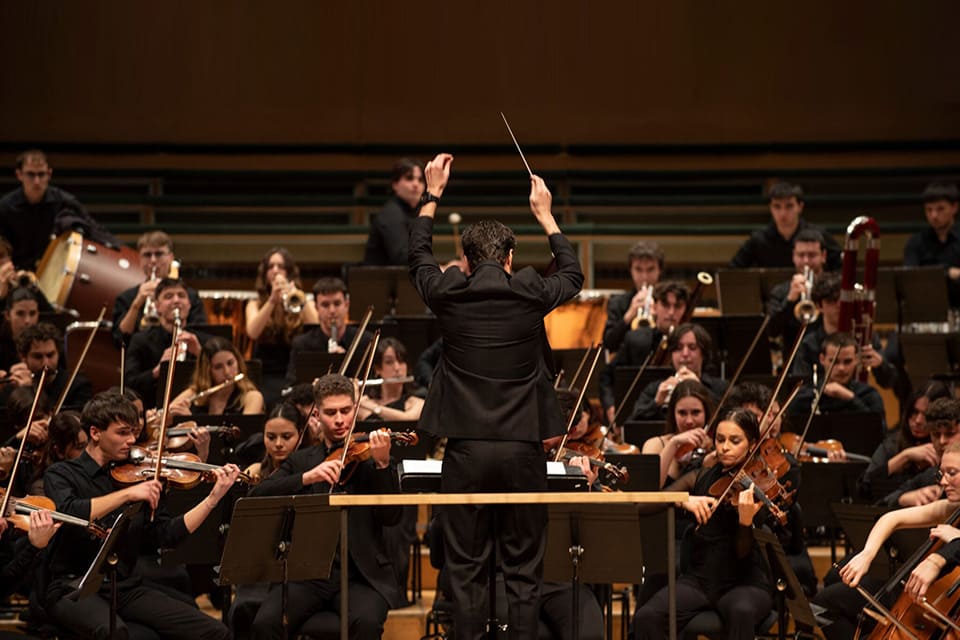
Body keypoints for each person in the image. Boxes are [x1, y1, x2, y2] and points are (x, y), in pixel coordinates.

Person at [409, 152, 584, 639]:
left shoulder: (449, 293)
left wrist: (432, 195)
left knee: (464, 570)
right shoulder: (528, 292)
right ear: (510, 258)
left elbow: (417, 255)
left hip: (465, 452)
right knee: (525, 572)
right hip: (522, 451)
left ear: (465, 261)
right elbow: (573, 274)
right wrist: (545, 214)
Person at [42, 391, 238, 639]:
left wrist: (213, 498)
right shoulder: (62, 474)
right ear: (95, 433)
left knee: (214, 631)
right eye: (122, 432)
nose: (132, 440)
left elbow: (167, 535)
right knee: (116, 633)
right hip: (72, 588)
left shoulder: (139, 475)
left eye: (134, 432)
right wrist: (128, 495)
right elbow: (69, 512)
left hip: (125, 586)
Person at [249, 374, 402, 640]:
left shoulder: (372, 458)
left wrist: (382, 466)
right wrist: (308, 477)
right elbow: (257, 494)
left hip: (361, 576)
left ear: (355, 409)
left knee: (365, 624)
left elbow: (392, 517)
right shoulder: (301, 461)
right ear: (317, 415)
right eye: (331, 413)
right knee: (265, 623)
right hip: (308, 575)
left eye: (346, 411)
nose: (340, 420)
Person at [633, 409, 777, 640]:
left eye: (735, 440)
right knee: (647, 617)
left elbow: (743, 554)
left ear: (752, 444)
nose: (725, 447)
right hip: (700, 580)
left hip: (745, 582)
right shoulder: (701, 476)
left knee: (741, 611)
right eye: (720, 440)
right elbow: (643, 506)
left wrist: (745, 521)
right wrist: (682, 500)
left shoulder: (757, 487)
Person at [814, 440, 960, 640]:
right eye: (942, 474)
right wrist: (867, 554)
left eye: (952, 473)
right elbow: (891, 518)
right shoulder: (951, 508)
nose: (943, 482)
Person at [0, 150, 118, 270]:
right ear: (19, 175)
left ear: (49, 174)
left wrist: (119, 249)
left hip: (55, 271)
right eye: (30, 175)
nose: (36, 181)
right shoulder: (6, 207)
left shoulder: (64, 201)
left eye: (41, 174)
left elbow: (94, 229)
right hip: (18, 272)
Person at [599, 281, 690, 425]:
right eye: (666, 305)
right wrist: (611, 407)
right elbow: (606, 376)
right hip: (638, 417)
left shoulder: (691, 346)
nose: (671, 312)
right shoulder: (635, 339)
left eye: (677, 306)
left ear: (685, 309)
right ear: (654, 307)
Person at [789, 271, 898, 391]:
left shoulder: (865, 336)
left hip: (858, 403)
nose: (839, 305)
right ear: (819, 306)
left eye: (843, 300)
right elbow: (801, 389)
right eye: (831, 301)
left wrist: (880, 364)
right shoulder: (809, 343)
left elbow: (889, 382)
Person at [245, 248, 318, 406]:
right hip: (266, 374)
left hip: (295, 372)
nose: (275, 270)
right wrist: (272, 300)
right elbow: (252, 332)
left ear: (289, 272)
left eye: (280, 266)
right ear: (265, 273)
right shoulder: (255, 304)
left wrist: (298, 295)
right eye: (271, 267)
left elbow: (315, 325)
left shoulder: (300, 298)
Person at [125, 277, 210, 410]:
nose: (176, 301)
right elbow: (129, 383)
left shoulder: (204, 341)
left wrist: (201, 355)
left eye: (181, 296)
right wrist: (157, 371)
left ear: (189, 304)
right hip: (153, 411)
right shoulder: (141, 340)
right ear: (157, 306)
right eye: (168, 296)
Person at [112, 230, 206, 346]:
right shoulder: (126, 297)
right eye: (147, 255)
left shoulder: (189, 296)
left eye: (159, 254)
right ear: (139, 259)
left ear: (171, 257)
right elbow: (119, 339)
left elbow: (200, 336)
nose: (153, 260)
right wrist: (137, 304)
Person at [861, 381, 952, 501]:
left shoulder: (946, 447)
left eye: (926, 415)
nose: (918, 420)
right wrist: (905, 456)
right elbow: (863, 488)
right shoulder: (891, 444)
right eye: (915, 412)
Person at [729, 181, 841, 270]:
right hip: (772, 298)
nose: (783, 213)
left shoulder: (818, 235)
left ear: (800, 207)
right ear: (770, 208)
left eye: (789, 206)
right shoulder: (759, 239)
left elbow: (842, 267)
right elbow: (733, 271)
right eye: (777, 206)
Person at [284, 277, 374, 384]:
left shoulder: (365, 341)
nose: (332, 311)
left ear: (346, 305)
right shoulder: (302, 345)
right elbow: (291, 388)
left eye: (337, 304)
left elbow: (371, 386)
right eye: (325, 305)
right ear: (316, 307)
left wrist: (345, 363)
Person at [629, 323, 727, 421]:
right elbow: (632, 424)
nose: (685, 354)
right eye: (678, 348)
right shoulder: (654, 389)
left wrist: (700, 389)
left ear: (704, 354)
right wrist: (656, 403)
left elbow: (728, 418)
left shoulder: (720, 388)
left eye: (692, 347)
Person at [875, 397, 960, 508]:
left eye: (950, 434)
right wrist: (904, 498)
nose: (942, 441)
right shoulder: (930, 475)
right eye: (936, 434)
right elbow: (882, 502)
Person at [787, 332, 886, 426]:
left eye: (847, 361)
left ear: (856, 359)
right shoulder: (804, 397)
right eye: (834, 361)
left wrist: (851, 398)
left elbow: (881, 431)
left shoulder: (869, 395)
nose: (841, 368)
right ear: (822, 359)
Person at [765, 228, 831, 351]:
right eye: (801, 255)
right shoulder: (781, 291)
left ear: (823, 256)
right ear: (793, 256)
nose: (806, 261)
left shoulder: (834, 289)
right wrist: (790, 300)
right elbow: (771, 331)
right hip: (793, 364)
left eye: (812, 255)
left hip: (828, 360)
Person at [3, 322, 92, 412]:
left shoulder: (78, 386)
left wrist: (30, 391)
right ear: (23, 358)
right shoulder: (13, 387)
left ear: (58, 353)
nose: (46, 363)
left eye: (50, 355)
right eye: (38, 356)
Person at [641, 379, 714, 488]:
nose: (689, 421)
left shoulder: (714, 446)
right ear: (673, 413)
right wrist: (673, 444)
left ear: (706, 413)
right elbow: (649, 488)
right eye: (682, 413)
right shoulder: (655, 444)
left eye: (696, 412)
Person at [170, 336, 264, 416]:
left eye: (230, 363)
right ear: (207, 371)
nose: (227, 372)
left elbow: (243, 435)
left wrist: (189, 421)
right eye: (218, 367)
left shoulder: (252, 397)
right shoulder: (195, 393)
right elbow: (164, 420)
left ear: (238, 362)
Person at [903, 181, 960, 308]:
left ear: (955, 207)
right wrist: (948, 272)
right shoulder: (915, 243)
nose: (934, 215)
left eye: (940, 209)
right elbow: (910, 279)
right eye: (929, 209)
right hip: (927, 313)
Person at [603, 241, 664, 352]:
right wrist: (629, 315)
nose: (644, 276)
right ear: (631, 270)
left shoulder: (668, 303)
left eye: (650, 269)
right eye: (638, 269)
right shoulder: (617, 303)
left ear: (660, 270)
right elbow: (608, 346)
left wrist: (659, 319)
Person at [363, 158, 425, 265]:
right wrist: (437, 269)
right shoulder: (391, 214)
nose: (416, 184)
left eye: (420, 180)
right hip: (379, 279)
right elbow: (402, 257)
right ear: (395, 184)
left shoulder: (414, 212)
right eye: (409, 178)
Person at [356, 337, 424, 422]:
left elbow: (406, 419)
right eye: (389, 362)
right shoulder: (364, 403)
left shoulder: (417, 403)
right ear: (377, 368)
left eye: (401, 361)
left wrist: (373, 407)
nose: (397, 368)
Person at [0, 286, 42, 371]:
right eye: (20, 313)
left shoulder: (46, 345)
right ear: (7, 315)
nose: (27, 321)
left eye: (32, 313)